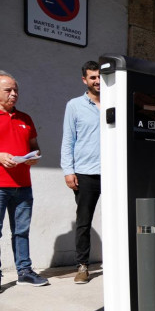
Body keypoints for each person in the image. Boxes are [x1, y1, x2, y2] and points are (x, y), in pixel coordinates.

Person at [0, 71, 49, 286]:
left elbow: (35, 147)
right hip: (0, 186)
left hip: (23, 185)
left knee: (21, 231)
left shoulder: (25, 118)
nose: (13, 94)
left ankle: (25, 270)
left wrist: (34, 156)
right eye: (8, 90)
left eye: (16, 90)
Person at [61, 61, 101, 284]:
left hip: (113, 172)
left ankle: (120, 261)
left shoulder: (115, 103)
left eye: (100, 77)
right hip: (85, 173)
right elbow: (68, 140)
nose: (97, 81)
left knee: (122, 218)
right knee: (84, 221)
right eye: (93, 77)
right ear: (84, 80)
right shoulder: (74, 105)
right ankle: (82, 265)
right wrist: (68, 170)